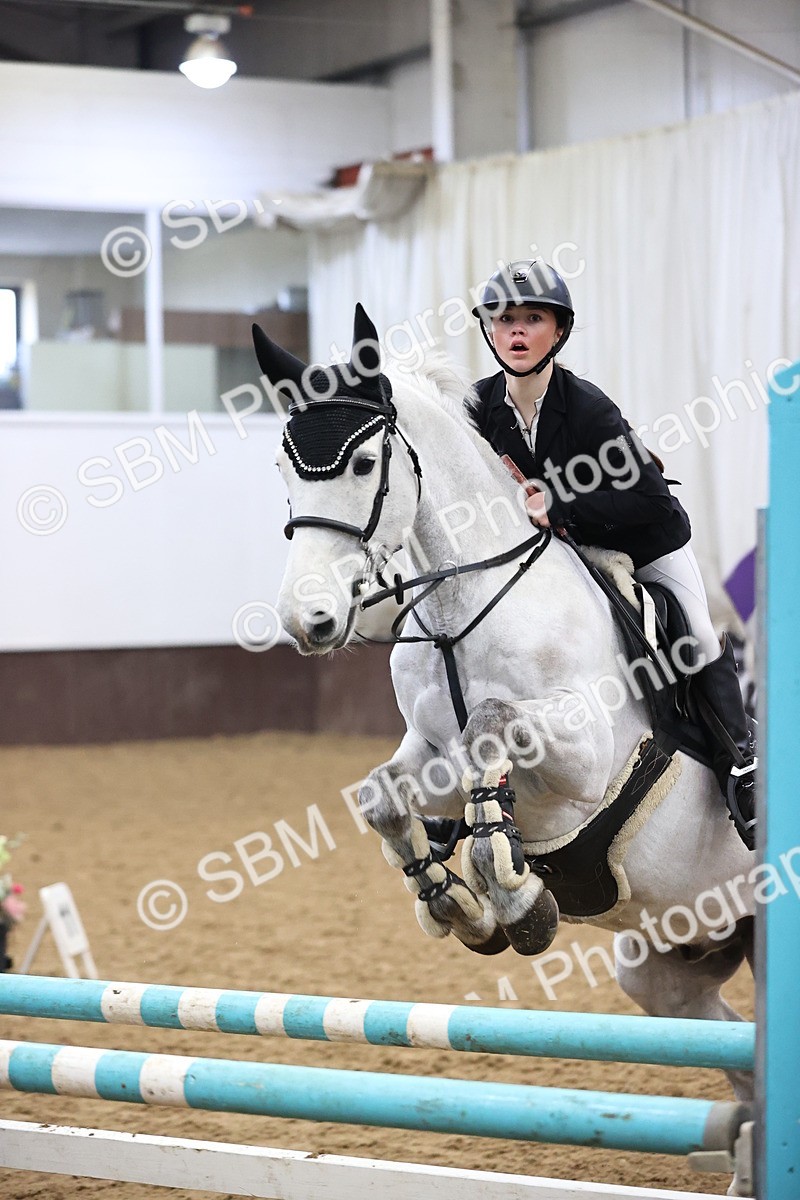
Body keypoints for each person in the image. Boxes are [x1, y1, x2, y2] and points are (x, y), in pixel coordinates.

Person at [468, 259, 756, 849]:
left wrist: (561, 504)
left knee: (697, 634)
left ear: (559, 331)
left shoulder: (587, 408)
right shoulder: (477, 409)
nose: (516, 330)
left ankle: (742, 765)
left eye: (533, 318)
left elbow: (650, 500)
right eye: (503, 318)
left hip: (642, 540)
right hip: (555, 558)